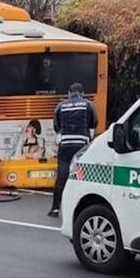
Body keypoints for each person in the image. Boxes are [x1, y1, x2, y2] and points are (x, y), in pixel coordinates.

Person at [49, 83, 98, 217]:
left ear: (69, 93)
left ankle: (55, 209)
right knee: (83, 176)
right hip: (82, 145)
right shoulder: (88, 105)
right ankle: (83, 209)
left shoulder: (61, 106)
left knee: (62, 176)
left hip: (65, 144)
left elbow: (56, 125)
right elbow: (94, 122)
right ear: (82, 93)